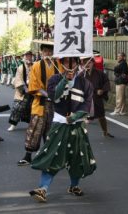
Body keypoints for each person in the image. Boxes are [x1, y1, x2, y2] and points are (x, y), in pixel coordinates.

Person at [29, 56, 96, 203]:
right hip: (59, 124)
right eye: (66, 62)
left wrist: (75, 116)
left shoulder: (86, 83)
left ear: (78, 64)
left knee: (77, 157)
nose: (69, 66)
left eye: (72, 62)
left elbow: (87, 104)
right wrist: (65, 80)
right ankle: (43, 188)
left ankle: (74, 185)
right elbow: (54, 96)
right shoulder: (54, 79)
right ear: (61, 64)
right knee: (52, 155)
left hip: (77, 125)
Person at [17, 42, 60, 166]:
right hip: (40, 102)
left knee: (51, 130)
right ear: (41, 52)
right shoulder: (36, 66)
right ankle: (28, 156)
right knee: (35, 129)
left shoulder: (58, 65)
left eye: (50, 51)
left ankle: (49, 156)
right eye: (45, 51)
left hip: (54, 104)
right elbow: (33, 85)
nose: (48, 53)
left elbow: (63, 81)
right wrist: (48, 94)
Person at [82, 55, 114, 138]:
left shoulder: (100, 73)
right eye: (85, 63)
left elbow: (106, 82)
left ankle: (105, 131)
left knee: (101, 116)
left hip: (97, 97)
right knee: (81, 117)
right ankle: (81, 134)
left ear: (93, 63)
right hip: (86, 98)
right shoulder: (82, 74)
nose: (88, 64)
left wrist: (102, 90)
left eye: (89, 62)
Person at [8, 51, 34, 131]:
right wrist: (24, 89)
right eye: (27, 56)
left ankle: (32, 125)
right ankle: (13, 124)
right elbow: (18, 80)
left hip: (33, 90)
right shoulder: (21, 67)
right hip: (23, 91)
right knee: (17, 108)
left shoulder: (35, 66)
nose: (28, 57)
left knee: (33, 109)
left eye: (30, 56)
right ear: (25, 57)